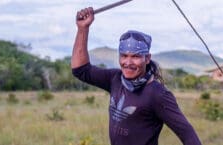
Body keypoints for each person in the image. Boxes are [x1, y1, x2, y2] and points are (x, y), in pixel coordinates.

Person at [71, 7, 202, 145]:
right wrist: (83, 29)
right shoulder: (115, 79)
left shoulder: (158, 95)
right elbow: (81, 70)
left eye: (135, 56)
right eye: (124, 56)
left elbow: (188, 136)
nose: (128, 62)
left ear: (147, 58)